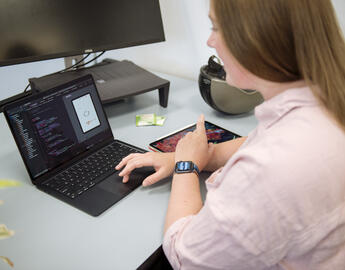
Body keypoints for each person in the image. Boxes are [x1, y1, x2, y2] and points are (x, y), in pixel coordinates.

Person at [116, 0, 345, 269]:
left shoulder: (270, 170)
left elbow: (183, 256)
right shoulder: (324, 103)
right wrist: (199, 155)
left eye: (216, 27)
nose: (210, 42)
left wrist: (185, 168)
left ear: (256, 37)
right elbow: (256, 140)